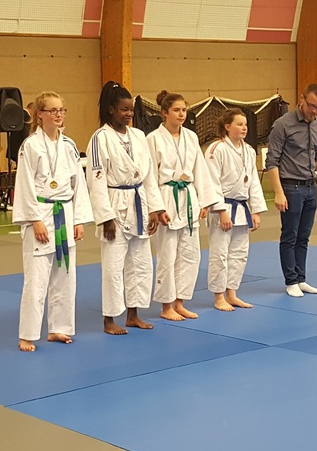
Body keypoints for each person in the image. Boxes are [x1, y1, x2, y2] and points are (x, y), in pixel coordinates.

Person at [12, 91, 93, 351]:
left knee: (65, 276)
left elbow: (78, 184)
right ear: (40, 115)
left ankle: (59, 328)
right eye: (53, 110)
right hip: (42, 212)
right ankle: (27, 334)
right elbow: (24, 183)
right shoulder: (30, 146)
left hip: (65, 213)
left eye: (62, 110)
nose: (59, 115)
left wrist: (79, 219)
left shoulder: (69, 145)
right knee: (36, 281)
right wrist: (34, 219)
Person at [87, 81, 169, 335]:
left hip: (139, 202)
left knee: (141, 263)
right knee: (113, 267)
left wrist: (155, 208)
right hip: (115, 202)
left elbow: (149, 176)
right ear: (111, 109)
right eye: (124, 109)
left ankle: (133, 314)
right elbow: (96, 180)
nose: (129, 114)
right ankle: (109, 319)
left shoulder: (138, 136)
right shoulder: (100, 138)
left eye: (131, 109)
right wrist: (105, 217)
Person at [147, 91, 220, 321]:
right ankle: (166, 305)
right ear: (164, 113)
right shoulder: (153, 139)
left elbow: (200, 169)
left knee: (190, 255)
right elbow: (150, 175)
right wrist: (157, 208)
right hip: (167, 196)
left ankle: (180, 301)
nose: (181, 114)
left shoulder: (191, 136)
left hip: (188, 197)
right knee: (167, 255)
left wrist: (204, 200)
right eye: (176, 110)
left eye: (184, 110)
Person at [265, 83, 317, 298]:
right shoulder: (282, 125)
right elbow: (272, 161)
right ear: (302, 99)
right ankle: (291, 281)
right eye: (312, 105)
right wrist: (278, 192)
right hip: (291, 187)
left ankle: (301, 278)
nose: (315, 111)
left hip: (310, 187)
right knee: (290, 235)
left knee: (304, 236)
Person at [205, 108, 267, 311]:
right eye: (239, 124)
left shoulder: (249, 150)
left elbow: (254, 181)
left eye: (245, 124)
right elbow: (211, 182)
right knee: (220, 254)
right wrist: (221, 210)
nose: (244, 128)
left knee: (239, 253)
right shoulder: (217, 149)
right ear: (227, 126)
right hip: (222, 207)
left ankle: (231, 293)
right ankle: (218, 296)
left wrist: (256, 210)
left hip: (241, 207)